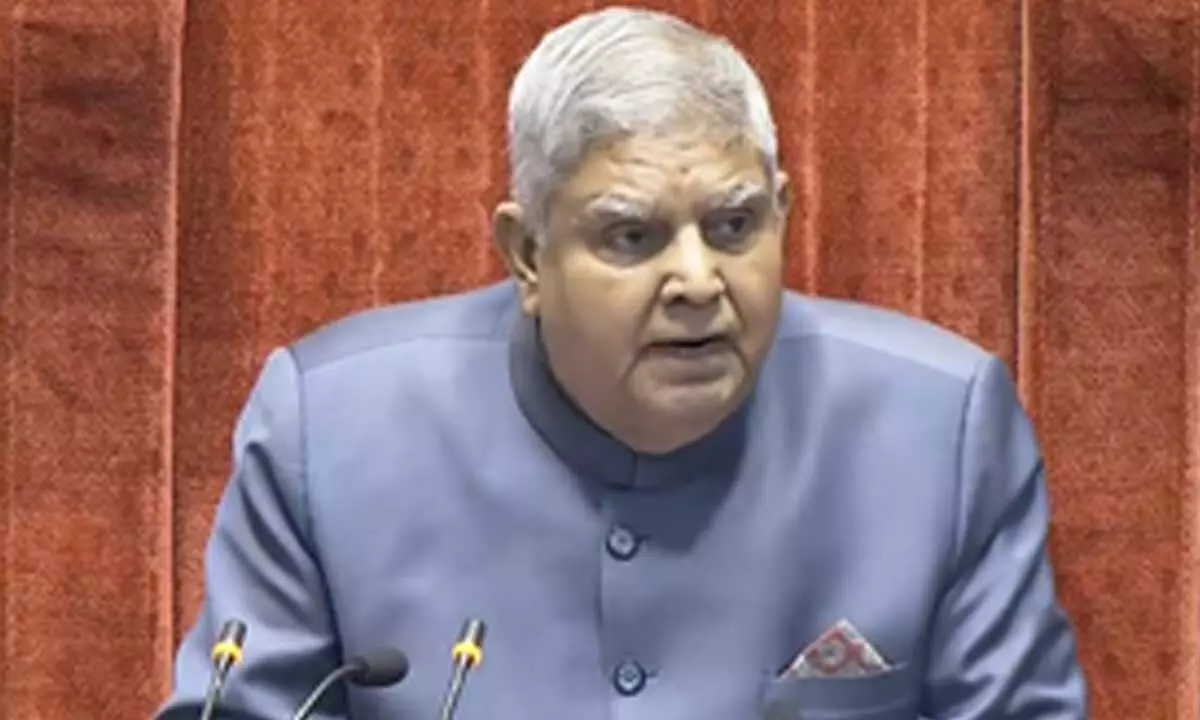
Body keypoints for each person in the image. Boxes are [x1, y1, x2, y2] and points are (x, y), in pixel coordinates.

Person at [156, 6, 1087, 719]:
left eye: (734, 226)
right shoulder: (329, 431)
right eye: (633, 237)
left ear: (783, 212)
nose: (698, 281)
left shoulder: (941, 430)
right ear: (528, 256)